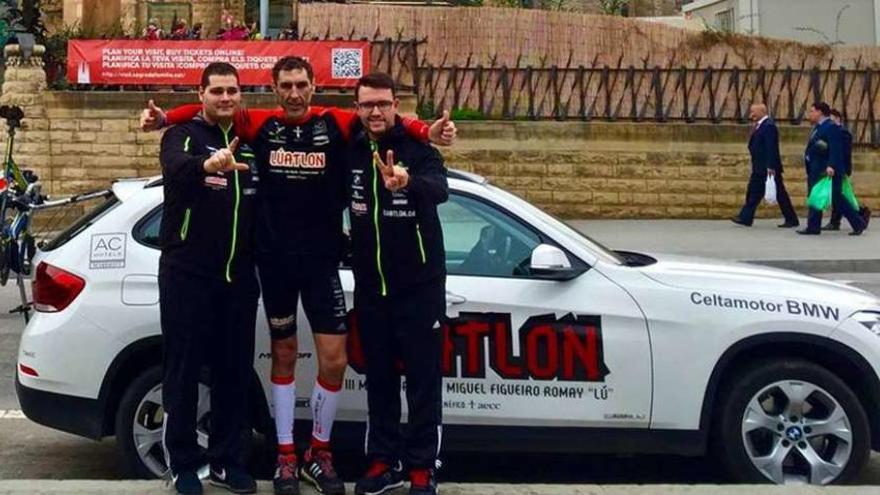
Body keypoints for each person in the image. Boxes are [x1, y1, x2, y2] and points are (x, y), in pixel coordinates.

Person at [141, 57, 455, 495]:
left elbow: (390, 118)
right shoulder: (252, 126)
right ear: (272, 87)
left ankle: (317, 453)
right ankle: (284, 456)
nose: (293, 92)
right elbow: (208, 112)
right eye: (285, 85)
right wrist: (167, 118)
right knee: (271, 357)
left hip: (322, 262)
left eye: (301, 84)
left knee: (332, 360)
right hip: (266, 265)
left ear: (313, 86)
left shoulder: (339, 123)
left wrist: (426, 132)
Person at [158, 62, 259, 495]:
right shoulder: (181, 136)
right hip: (188, 275)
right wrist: (207, 164)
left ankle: (226, 461)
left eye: (232, 91)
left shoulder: (250, 143)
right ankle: (183, 463)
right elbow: (175, 169)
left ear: (240, 94)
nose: (225, 98)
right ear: (201, 94)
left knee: (233, 372)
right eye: (216, 90)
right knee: (182, 372)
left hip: (238, 279)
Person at [347, 72, 448, 495]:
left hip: (419, 289)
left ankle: (422, 466)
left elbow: (441, 190)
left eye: (383, 103)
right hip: (372, 290)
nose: (375, 111)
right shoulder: (350, 149)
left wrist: (409, 181)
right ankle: (383, 461)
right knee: (380, 381)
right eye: (367, 104)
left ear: (395, 106)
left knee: (423, 381)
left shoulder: (417, 148)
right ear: (357, 108)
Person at [799, 102, 865, 236]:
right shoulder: (818, 127)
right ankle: (813, 227)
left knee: (837, 198)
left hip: (827, 170)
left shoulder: (831, 127)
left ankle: (858, 223)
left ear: (820, 112)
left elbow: (836, 149)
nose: (810, 114)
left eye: (812, 111)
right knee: (816, 196)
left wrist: (831, 165)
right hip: (816, 168)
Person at [731, 103, 799, 228]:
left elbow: (771, 147)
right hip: (760, 166)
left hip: (766, 168)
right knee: (756, 192)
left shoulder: (768, 126)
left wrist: (771, 166)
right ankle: (746, 217)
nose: (751, 115)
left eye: (753, 112)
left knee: (770, 192)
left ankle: (746, 217)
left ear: (762, 111)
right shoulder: (761, 126)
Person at [824, 109, 871, 231]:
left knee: (841, 196)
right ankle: (836, 221)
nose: (830, 121)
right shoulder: (836, 132)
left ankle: (860, 212)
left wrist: (842, 169)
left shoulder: (843, 133)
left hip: (841, 168)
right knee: (839, 196)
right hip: (838, 168)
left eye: (832, 118)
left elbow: (843, 153)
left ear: (838, 118)